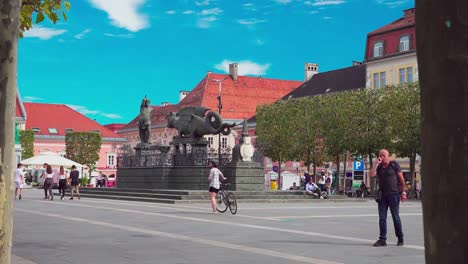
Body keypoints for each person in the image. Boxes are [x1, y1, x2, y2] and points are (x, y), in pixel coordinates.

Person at [370, 149, 406, 247]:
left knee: (396, 217)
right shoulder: (379, 167)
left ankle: (400, 238)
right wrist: (376, 164)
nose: (381, 157)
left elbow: (401, 179)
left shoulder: (394, 165)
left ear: (388, 156)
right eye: (380, 155)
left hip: (394, 195)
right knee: (382, 218)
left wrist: (403, 192)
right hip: (382, 196)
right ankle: (382, 240)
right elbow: (372, 175)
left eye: (383, 155)